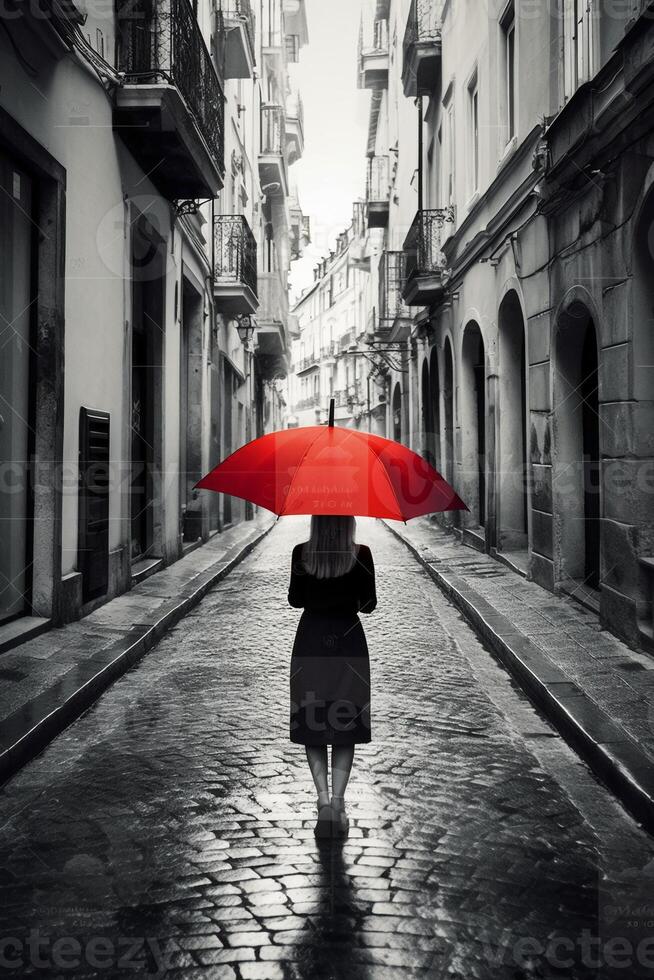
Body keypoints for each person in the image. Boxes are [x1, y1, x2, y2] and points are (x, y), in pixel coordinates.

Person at [288, 514, 377, 839]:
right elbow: (369, 604)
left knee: (312, 721)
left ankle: (323, 800)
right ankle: (338, 802)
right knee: (345, 725)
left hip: (310, 641)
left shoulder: (301, 553)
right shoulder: (361, 553)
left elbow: (295, 599)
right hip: (348, 644)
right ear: (348, 521)